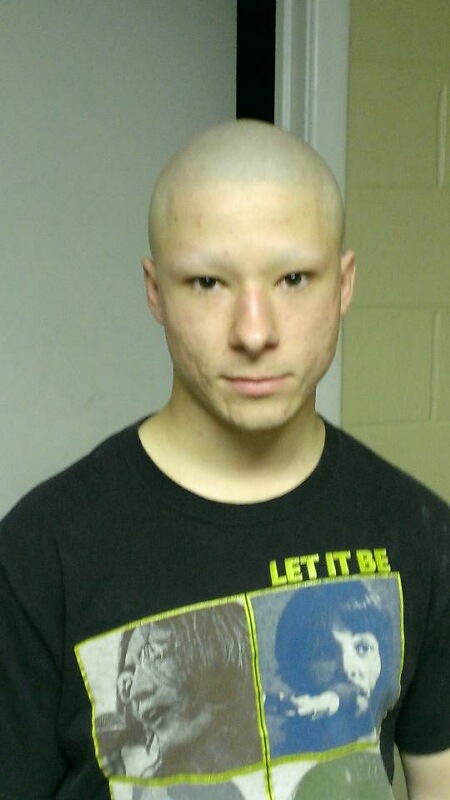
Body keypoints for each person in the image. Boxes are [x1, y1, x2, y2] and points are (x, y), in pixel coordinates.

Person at [0, 119, 449, 800]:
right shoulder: (40, 554)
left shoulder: (421, 533)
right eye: (208, 282)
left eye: (293, 278)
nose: (254, 331)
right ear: (155, 290)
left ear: (343, 284)